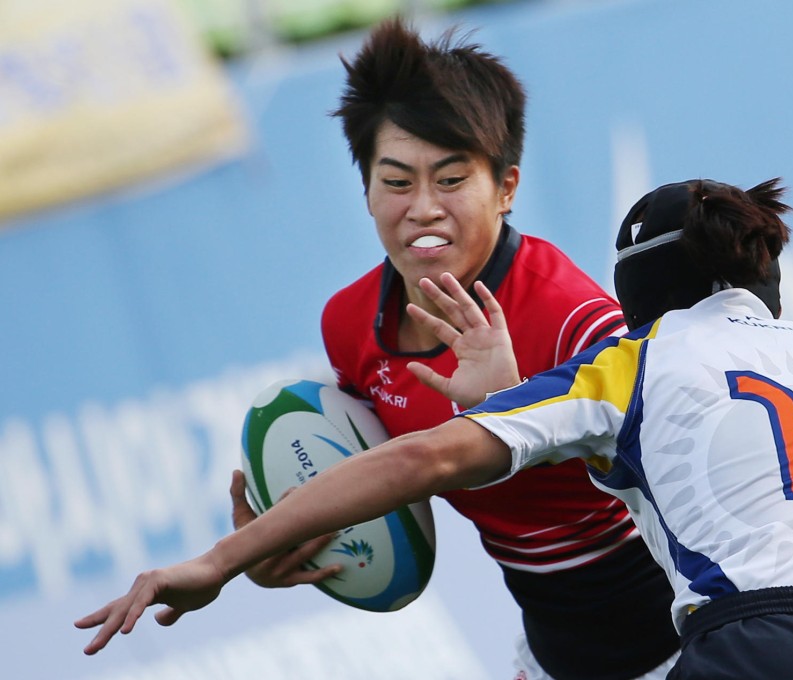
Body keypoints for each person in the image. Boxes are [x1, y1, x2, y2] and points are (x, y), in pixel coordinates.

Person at [76, 177, 793, 679]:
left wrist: (223, 557)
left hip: (769, 646)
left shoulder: (633, 361)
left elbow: (432, 454)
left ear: (632, 300)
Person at [227, 18, 681, 680]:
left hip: (689, 642)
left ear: (506, 188)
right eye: (397, 181)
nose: (423, 208)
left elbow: (689, 470)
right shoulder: (350, 325)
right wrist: (279, 540)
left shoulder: (573, 320)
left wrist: (523, 411)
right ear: (366, 189)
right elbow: (388, 474)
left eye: (450, 179)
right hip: (556, 655)